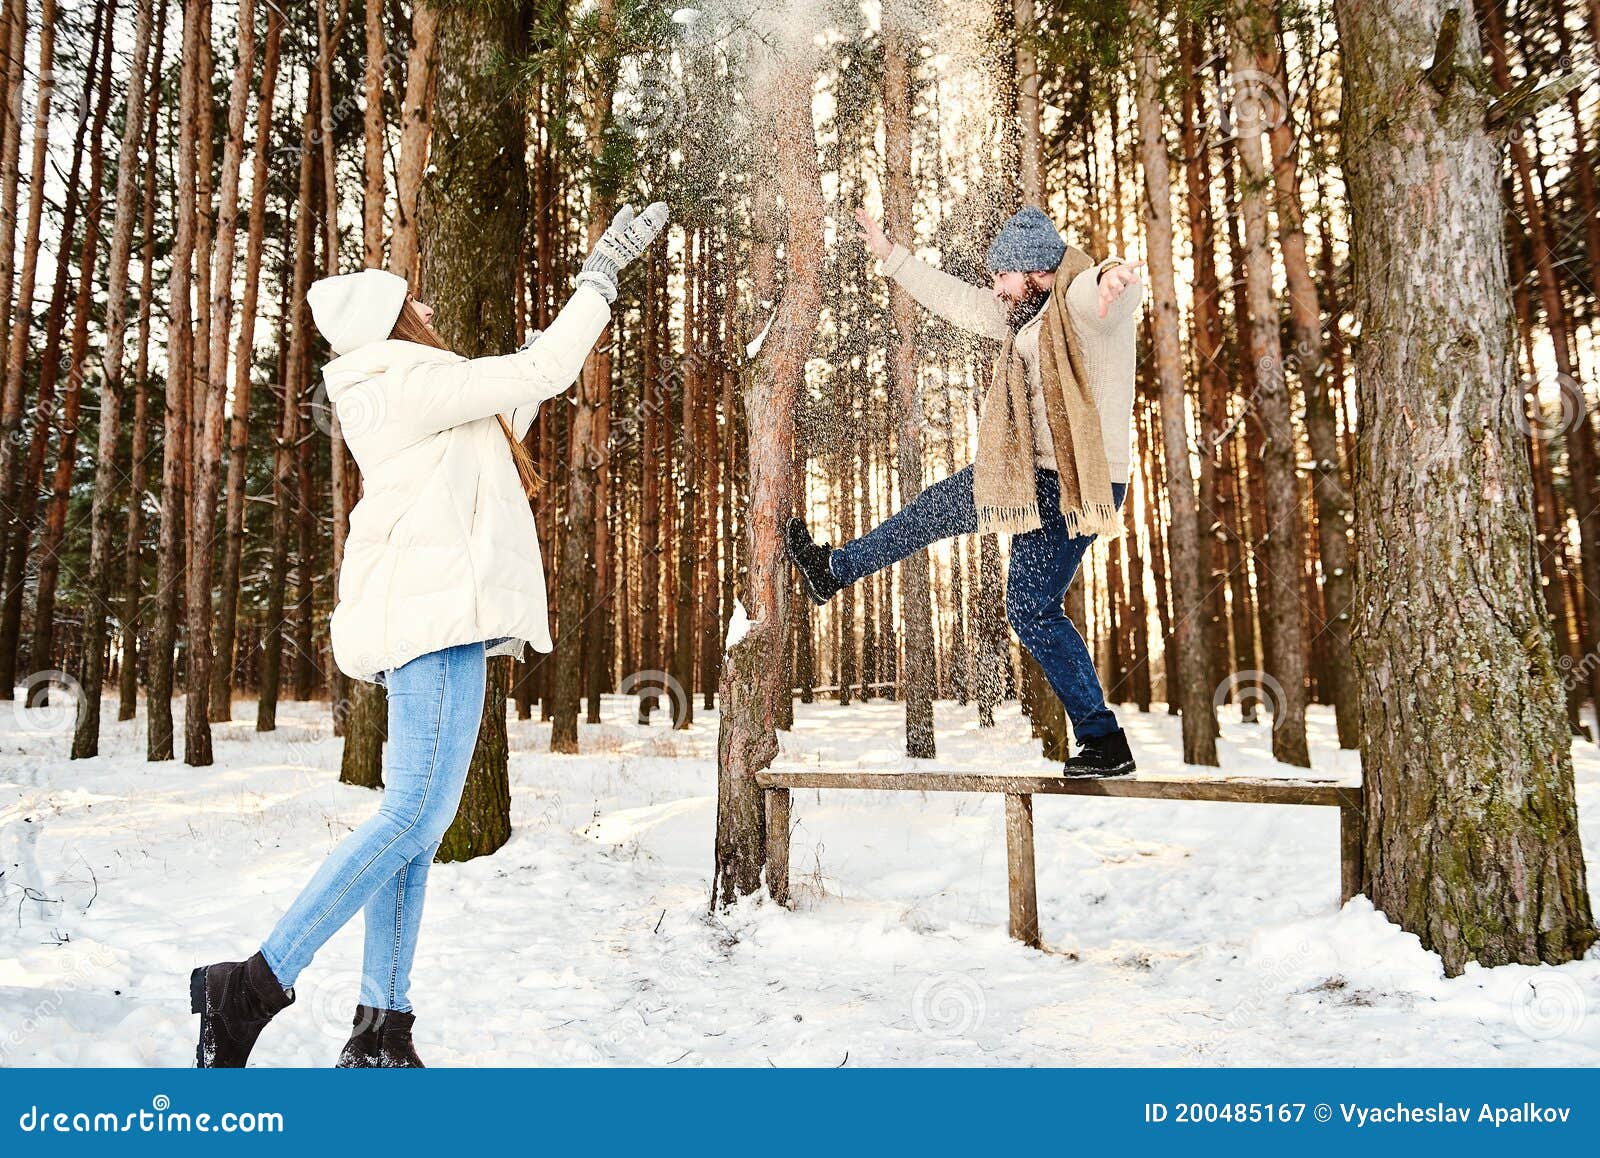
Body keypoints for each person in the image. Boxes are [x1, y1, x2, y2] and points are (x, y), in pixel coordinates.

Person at [189, 202, 670, 1068]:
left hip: (436, 615)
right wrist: (598, 278)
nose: (434, 312)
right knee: (412, 816)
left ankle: (383, 1026)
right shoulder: (397, 377)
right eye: (419, 304)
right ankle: (253, 984)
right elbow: (548, 373)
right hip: (433, 616)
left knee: (414, 829)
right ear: (391, 320)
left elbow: (506, 415)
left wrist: (540, 341)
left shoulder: (405, 389)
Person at [786, 204, 1144, 776]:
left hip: (1079, 481)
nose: (995, 288)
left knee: (1007, 586)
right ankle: (1104, 742)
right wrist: (890, 256)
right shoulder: (1022, 316)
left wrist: (1115, 276)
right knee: (1023, 603)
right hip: (1033, 478)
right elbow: (955, 298)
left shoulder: (1078, 301)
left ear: (1031, 270)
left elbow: (1111, 291)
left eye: (1002, 275)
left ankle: (1103, 742)